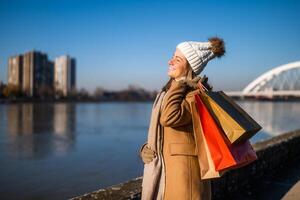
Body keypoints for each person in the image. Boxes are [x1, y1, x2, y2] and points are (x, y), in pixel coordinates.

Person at [139, 37, 225, 200]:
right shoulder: (169, 94)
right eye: (172, 57)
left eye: (177, 59)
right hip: (169, 175)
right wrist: (147, 147)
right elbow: (166, 133)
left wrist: (180, 83)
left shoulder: (195, 96)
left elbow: (169, 118)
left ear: (190, 68)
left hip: (186, 180)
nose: (170, 61)